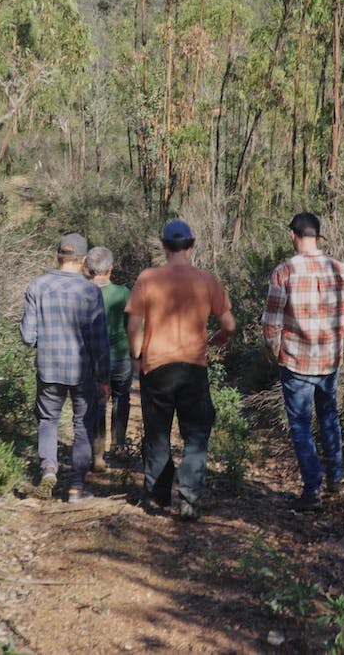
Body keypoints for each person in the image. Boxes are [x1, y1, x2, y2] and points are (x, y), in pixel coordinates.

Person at [261, 212, 344, 512]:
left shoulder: (284, 272)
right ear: (317, 236)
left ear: (293, 235)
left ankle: (312, 489)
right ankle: (336, 478)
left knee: (301, 426)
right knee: (329, 416)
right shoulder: (341, 270)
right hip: (329, 362)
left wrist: (274, 352)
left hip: (295, 363)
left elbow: (271, 324)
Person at [125, 220, 236, 520]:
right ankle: (189, 494)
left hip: (156, 367)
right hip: (193, 368)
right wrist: (217, 340)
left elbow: (134, 324)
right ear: (192, 245)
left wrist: (136, 355)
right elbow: (229, 325)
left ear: (163, 245)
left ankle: (160, 495)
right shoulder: (206, 280)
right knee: (197, 432)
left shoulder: (147, 279)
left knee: (158, 432)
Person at [21, 232, 110, 502]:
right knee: (83, 425)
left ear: (58, 256)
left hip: (49, 368)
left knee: (48, 420)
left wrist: (46, 341)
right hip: (82, 371)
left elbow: (27, 336)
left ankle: (48, 469)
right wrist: (104, 377)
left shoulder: (36, 286)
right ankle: (76, 488)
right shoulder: (91, 291)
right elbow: (99, 341)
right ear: (83, 260)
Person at [84, 246, 135, 469]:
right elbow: (132, 326)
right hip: (121, 356)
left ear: (88, 268)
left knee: (98, 402)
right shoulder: (123, 293)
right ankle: (119, 445)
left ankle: (97, 454)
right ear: (111, 268)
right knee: (121, 398)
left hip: (93, 358)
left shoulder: (83, 292)